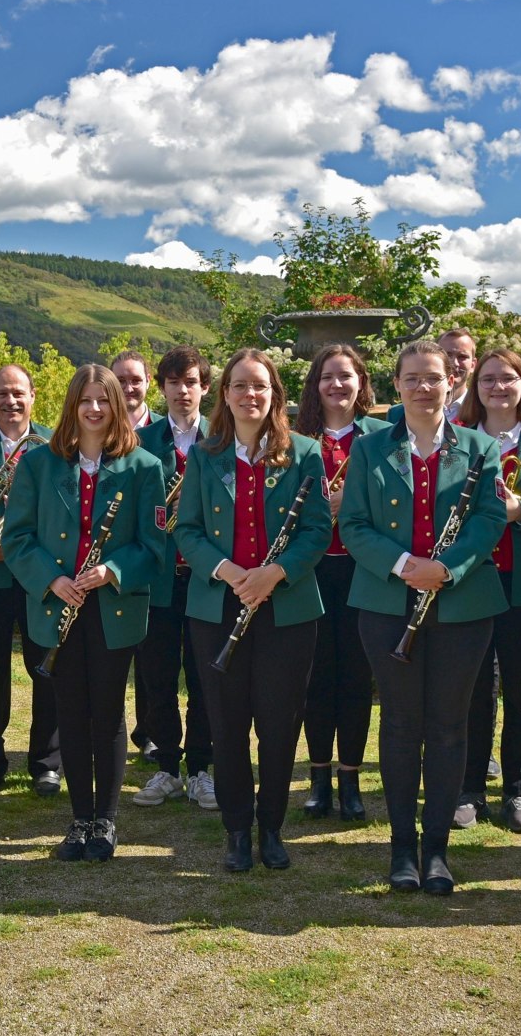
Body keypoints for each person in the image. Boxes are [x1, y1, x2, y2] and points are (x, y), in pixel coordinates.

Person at [339, 340, 507, 896]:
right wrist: (405, 565)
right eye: (411, 378)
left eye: (432, 378)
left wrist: (448, 569)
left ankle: (438, 849)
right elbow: (355, 525)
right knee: (402, 725)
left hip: (463, 604)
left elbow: (488, 519)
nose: (422, 388)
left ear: (450, 383)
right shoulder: (370, 448)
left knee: (449, 724)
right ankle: (402, 850)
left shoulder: (481, 447)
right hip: (388, 602)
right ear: (397, 385)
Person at [174, 348, 331, 871]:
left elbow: (316, 530)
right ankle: (237, 830)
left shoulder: (304, 452)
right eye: (240, 386)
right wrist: (228, 572)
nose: (250, 395)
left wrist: (274, 574)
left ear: (275, 394)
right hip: (217, 605)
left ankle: (272, 826)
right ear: (225, 394)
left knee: (280, 722)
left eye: (260, 386)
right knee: (227, 720)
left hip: (286, 609)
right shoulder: (205, 454)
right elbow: (188, 530)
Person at [2, 365, 164, 862]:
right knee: (70, 711)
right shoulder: (37, 465)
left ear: (117, 405)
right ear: (72, 406)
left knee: (109, 713)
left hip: (112, 606)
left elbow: (154, 546)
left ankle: (107, 822)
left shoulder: (143, 466)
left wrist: (112, 570)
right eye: (85, 400)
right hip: (58, 604)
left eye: (104, 400)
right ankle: (79, 820)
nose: (94, 410)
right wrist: (52, 579)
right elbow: (17, 538)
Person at [453, 349, 521, 835]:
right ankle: (468, 789)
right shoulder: (458, 443)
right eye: (488, 379)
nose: (498, 387)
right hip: (472, 580)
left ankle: (517, 790)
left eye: (508, 378)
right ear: (476, 388)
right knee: (472, 691)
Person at [292, 343, 389, 821]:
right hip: (310, 571)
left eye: (346, 376)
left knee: (356, 677)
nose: (337, 385)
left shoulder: (382, 437)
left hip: (363, 570)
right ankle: (317, 780)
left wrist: (350, 506)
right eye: (327, 376)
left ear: (361, 382)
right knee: (314, 678)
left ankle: (350, 779)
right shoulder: (292, 438)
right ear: (315, 385)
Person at [0, 364, 60, 798]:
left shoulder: (56, 443)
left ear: (33, 395)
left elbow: (62, 509)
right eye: (0, 393)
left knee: (46, 668)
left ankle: (46, 763)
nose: (9, 401)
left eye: (18, 392)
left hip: (38, 573)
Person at [130, 346, 217, 812]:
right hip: (160, 578)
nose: (182, 391)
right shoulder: (141, 442)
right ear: (161, 388)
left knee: (205, 676)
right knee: (157, 675)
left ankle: (202, 767)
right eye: (173, 383)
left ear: (205, 387)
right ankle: (166, 765)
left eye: (191, 382)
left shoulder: (223, 439)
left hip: (208, 578)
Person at [386, 328, 478, 426]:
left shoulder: (484, 410)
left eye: (462, 357)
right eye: (447, 355)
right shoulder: (396, 414)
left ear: (473, 365)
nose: (454, 363)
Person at [110, 350, 155, 431]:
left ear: (148, 381)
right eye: (120, 381)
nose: (128, 389)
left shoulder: (167, 430)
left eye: (136, 381)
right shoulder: (100, 429)